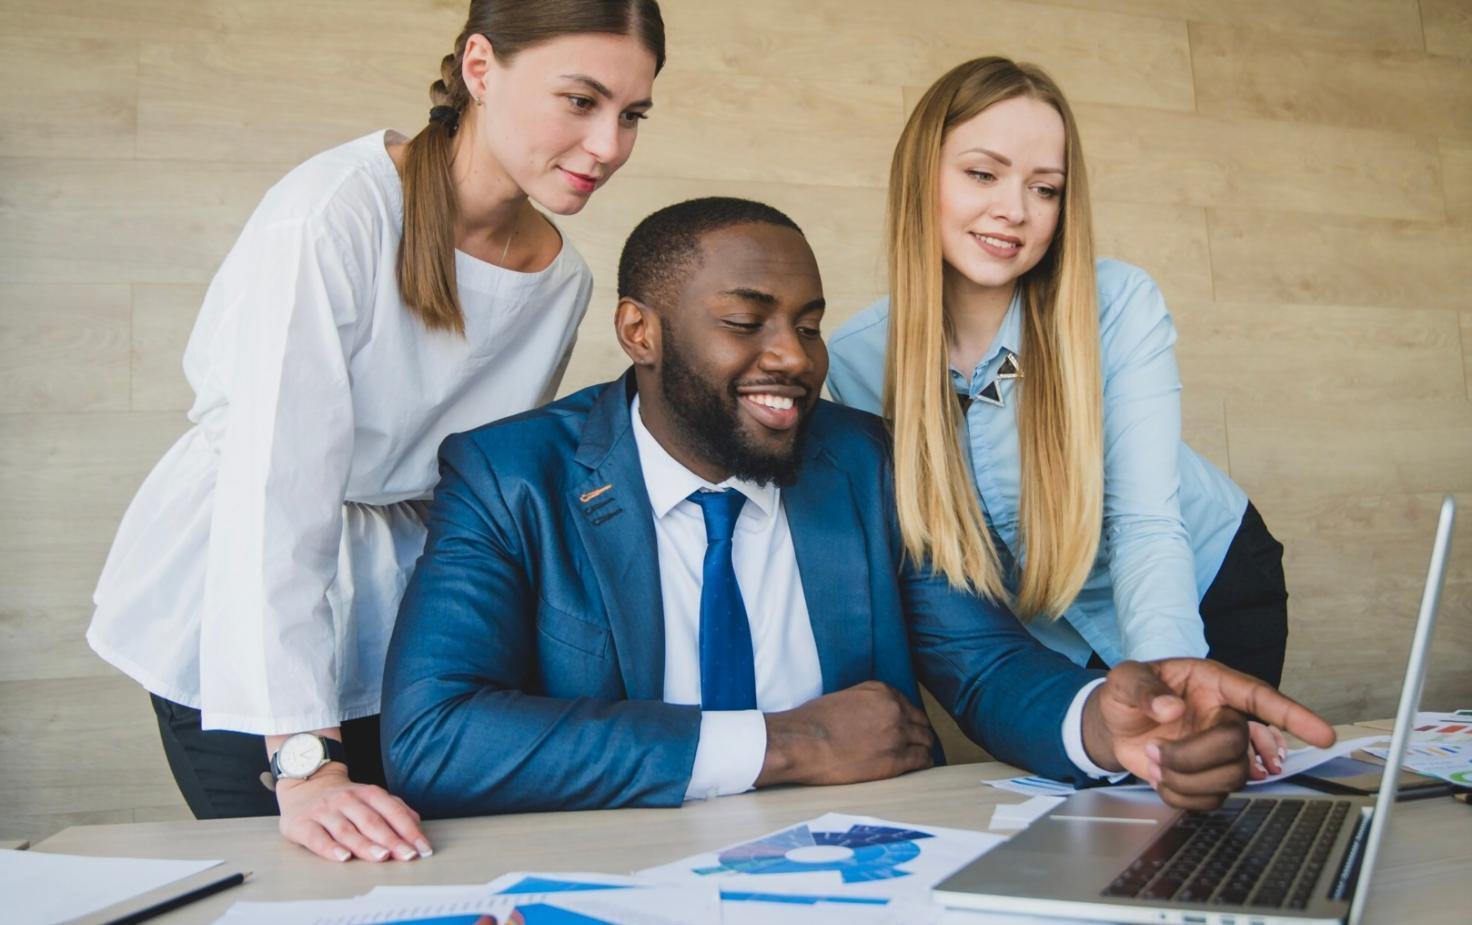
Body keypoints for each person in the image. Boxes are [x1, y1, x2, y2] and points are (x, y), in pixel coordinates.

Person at [380, 197, 1333, 818]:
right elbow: (434, 736)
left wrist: (1099, 724)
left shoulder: (866, 460)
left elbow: (984, 660)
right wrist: (782, 744)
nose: (794, 355)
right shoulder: (511, 475)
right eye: (746, 322)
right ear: (642, 330)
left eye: (807, 321)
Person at [86, 0, 666, 862]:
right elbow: (276, 494)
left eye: (632, 116)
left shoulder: (562, 278)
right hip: (239, 599)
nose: (610, 146)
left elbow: (475, 493)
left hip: (397, 609)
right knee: (303, 884)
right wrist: (306, 757)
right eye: (580, 101)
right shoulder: (334, 212)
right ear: (479, 67)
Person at [825, 56, 1291, 776]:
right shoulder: (857, 358)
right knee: (1092, 819)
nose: (1016, 209)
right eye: (983, 174)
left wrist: (1176, 676)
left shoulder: (1118, 302)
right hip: (1047, 639)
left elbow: (1144, 525)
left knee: (1202, 794)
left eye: (1045, 189)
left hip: (1203, 587)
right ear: (922, 176)